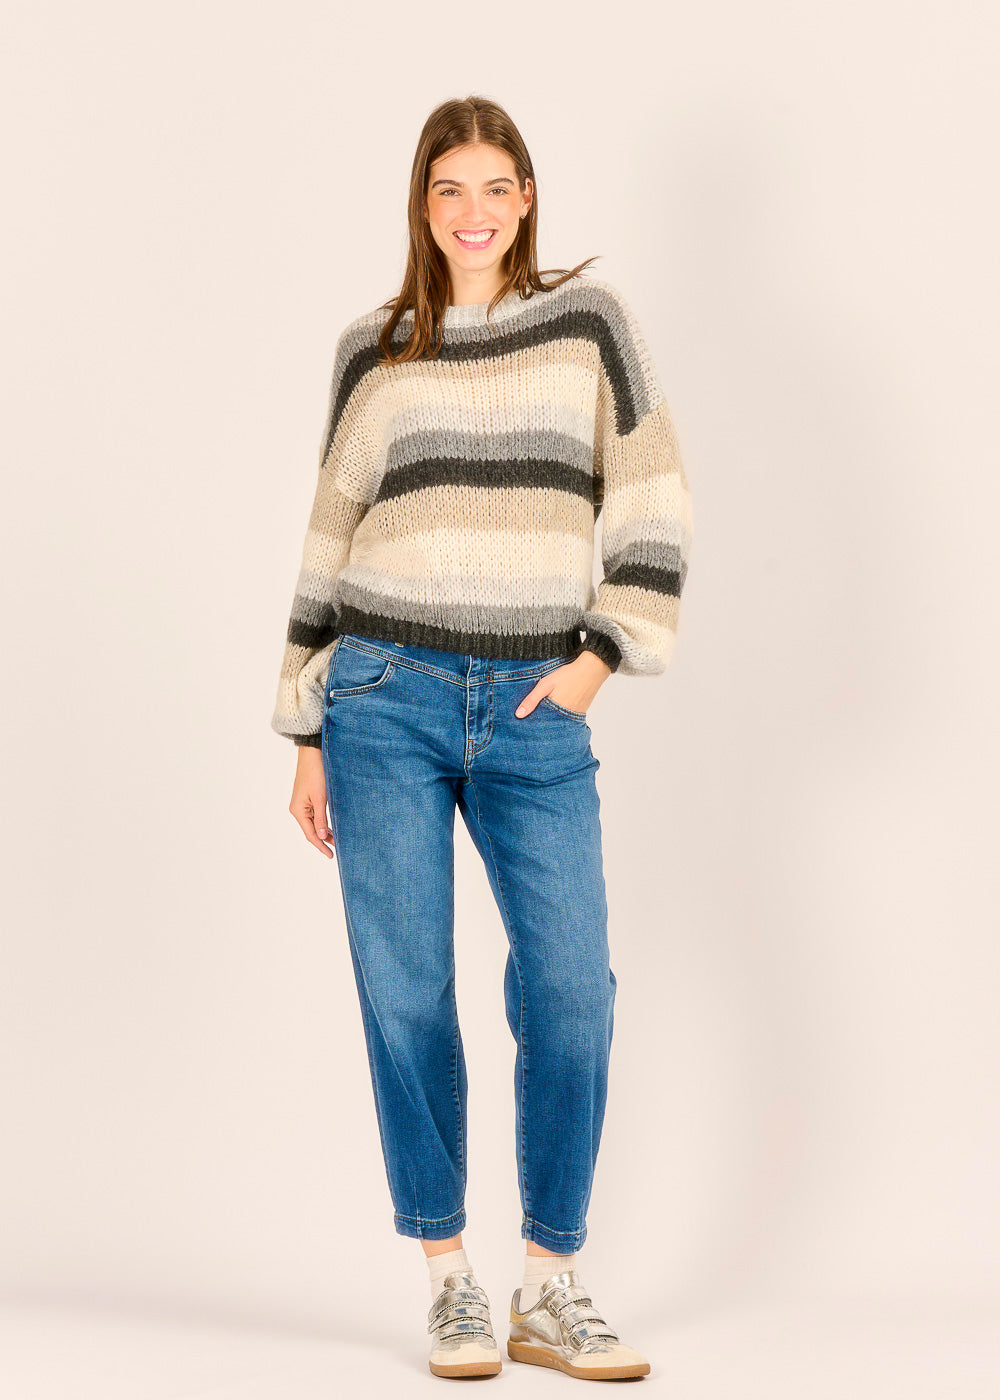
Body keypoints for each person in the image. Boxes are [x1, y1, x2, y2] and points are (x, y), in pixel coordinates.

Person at [270, 94, 694, 1381]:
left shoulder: (588, 323)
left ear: (526, 197)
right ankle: (449, 1276)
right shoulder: (373, 347)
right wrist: (304, 723)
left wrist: (600, 656)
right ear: (422, 201)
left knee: (572, 992)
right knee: (405, 989)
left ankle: (549, 1285)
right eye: (448, 187)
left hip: (533, 706)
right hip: (380, 694)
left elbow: (652, 489)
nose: (473, 211)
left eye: (495, 186)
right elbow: (331, 529)